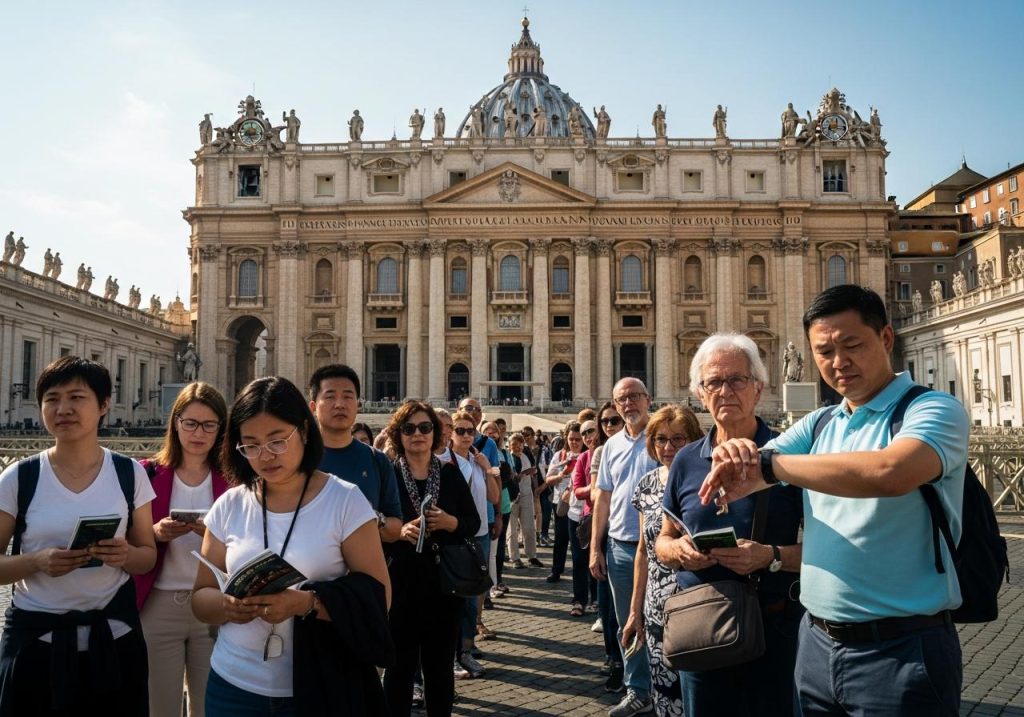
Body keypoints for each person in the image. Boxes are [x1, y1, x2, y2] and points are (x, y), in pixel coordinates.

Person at [701, 285, 969, 715]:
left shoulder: (934, 409)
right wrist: (736, 452)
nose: (838, 362)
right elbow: (755, 464)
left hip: (902, 649)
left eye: (852, 345)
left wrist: (770, 467)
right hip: (816, 645)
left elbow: (890, 472)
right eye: (824, 351)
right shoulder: (820, 422)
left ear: (885, 338)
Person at [193, 376, 391, 715]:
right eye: (251, 445)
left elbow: (379, 597)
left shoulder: (345, 500)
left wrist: (306, 603)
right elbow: (200, 598)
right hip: (233, 686)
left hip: (319, 684)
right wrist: (228, 606)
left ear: (304, 431)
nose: (265, 456)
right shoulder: (229, 504)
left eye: (277, 441)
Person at [655, 334, 804, 716]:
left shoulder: (790, 456)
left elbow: (829, 552)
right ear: (699, 393)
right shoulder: (686, 460)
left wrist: (769, 557)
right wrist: (678, 551)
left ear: (759, 388)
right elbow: (663, 539)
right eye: (714, 382)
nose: (725, 391)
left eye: (737, 380)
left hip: (774, 629)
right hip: (702, 629)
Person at [0, 356, 157, 714]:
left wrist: (126, 555)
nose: (63, 409)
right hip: (36, 646)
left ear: (103, 405)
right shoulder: (18, 478)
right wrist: (37, 562)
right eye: (52, 398)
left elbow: (147, 555)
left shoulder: (130, 473)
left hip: (114, 642)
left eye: (76, 397)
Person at [134, 381, 231, 717]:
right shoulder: (146, 473)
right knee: (159, 706)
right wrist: (155, 533)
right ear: (175, 423)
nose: (198, 433)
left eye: (209, 425)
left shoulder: (233, 479)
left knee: (210, 707)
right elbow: (128, 539)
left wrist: (215, 536)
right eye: (190, 423)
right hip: (157, 605)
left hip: (214, 604)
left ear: (221, 429)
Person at [382, 401, 481, 717]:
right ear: (398, 434)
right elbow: (371, 522)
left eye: (425, 427)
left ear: (435, 433)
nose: (418, 434)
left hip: (444, 586)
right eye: (409, 428)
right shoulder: (388, 475)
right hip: (400, 583)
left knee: (439, 669)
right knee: (399, 667)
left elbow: (473, 522)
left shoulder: (449, 474)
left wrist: (450, 522)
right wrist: (398, 531)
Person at [623, 405, 702, 717]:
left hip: (697, 604)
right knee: (665, 695)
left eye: (678, 439)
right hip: (657, 607)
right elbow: (643, 551)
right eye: (661, 439)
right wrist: (635, 611)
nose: (668, 447)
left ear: (694, 440)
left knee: (700, 696)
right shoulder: (647, 485)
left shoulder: (708, 480)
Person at [591, 378, 658, 717]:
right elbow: (603, 497)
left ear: (649, 399)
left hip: (659, 546)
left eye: (635, 397)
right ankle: (638, 689)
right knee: (627, 621)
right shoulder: (611, 446)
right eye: (622, 399)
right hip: (620, 545)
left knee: (663, 620)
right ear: (615, 405)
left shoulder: (663, 439)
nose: (629, 404)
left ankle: (667, 686)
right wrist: (595, 547)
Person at [308, 364, 402, 543]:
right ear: (313, 406)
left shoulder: (377, 460)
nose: (340, 404)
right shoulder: (296, 460)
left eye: (347, 397)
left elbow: (395, 529)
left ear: (357, 404)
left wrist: (372, 517)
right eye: (330, 396)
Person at [447, 410, 499, 673]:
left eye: (471, 431)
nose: (466, 436)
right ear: (451, 433)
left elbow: (494, 497)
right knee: (456, 598)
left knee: (473, 597)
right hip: (456, 536)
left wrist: (487, 469)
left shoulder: (477, 460)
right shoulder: (444, 461)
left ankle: (466, 651)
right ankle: (452, 654)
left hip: (479, 534)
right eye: (460, 431)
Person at [590, 400, 626, 690]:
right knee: (611, 605)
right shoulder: (603, 451)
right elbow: (597, 496)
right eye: (606, 422)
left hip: (639, 534)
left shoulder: (649, 444)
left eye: (615, 420)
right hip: (611, 532)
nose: (610, 426)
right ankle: (614, 659)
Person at [543, 422, 582, 583]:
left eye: (578, 439)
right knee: (560, 538)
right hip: (561, 502)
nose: (574, 442)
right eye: (571, 439)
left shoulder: (587, 455)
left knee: (579, 542)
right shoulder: (560, 455)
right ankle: (556, 570)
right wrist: (561, 475)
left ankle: (581, 573)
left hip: (580, 504)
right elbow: (548, 479)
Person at [568, 419, 599, 616]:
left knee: (599, 559)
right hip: (587, 515)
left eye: (591, 431)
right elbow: (578, 490)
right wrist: (594, 488)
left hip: (608, 516)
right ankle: (579, 599)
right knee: (580, 560)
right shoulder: (583, 458)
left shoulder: (610, 452)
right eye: (584, 433)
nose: (588, 436)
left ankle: (596, 599)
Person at [506, 431, 540, 569]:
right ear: (509, 445)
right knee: (512, 529)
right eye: (514, 444)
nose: (517, 447)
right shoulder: (507, 457)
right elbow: (510, 477)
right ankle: (515, 557)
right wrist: (522, 474)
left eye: (520, 444)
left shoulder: (527, 455)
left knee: (529, 527)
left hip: (526, 494)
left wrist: (535, 488)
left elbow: (534, 470)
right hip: (512, 496)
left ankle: (532, 556)